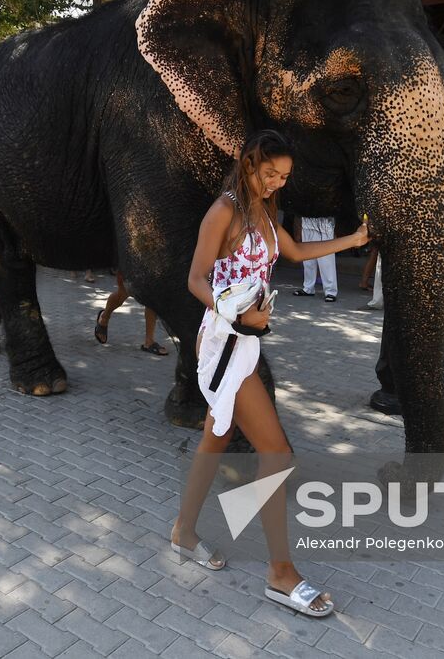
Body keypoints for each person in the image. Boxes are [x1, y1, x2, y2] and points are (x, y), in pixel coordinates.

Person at [172, 130, 367, 619]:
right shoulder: (225, 210)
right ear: (250, 163)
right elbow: (196, 278)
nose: (277, 183)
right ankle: (281, 574)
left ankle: (183, 532)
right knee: (277, 454)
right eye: (271, 174)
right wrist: (237, 317)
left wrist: (357, 239)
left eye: (284, 178)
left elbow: (297, 253)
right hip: (224, 343)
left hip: (246, 341)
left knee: (215, 440)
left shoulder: (264, 210)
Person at [94, 271, 166, 355]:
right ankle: (104, 317)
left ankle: (149, 341)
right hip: (131, 262)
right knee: (123, 293)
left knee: (152, 295)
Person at [292, 216, 338, 301]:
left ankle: (330, 291)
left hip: (325, 224)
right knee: (308, 259)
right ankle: (308, 288)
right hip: (306, 222)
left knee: (326, 261)